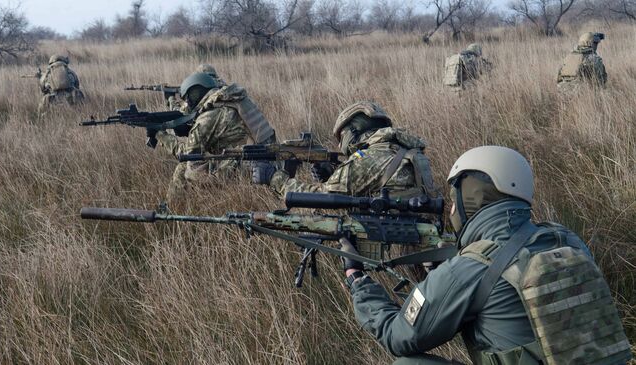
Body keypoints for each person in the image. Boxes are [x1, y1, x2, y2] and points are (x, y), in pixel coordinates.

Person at [339, 146, 632, 365]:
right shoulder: (566, 239)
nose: (451, 207)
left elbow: (397, 336)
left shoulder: (467, 268)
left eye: (455, 196)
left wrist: (357, 279)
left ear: (472, 197)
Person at [252, 101, 437, 200]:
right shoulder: (403, 148)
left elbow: (324, 198)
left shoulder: (369, 157)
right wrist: (332, 175)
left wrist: (276, 179)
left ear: (353, 131)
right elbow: (372, 185)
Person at [151, 72, 276, 199]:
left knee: (185, 167)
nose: (188, 101)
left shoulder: (209, 116)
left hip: (245, 167)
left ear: (196, 93)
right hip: (262, 160)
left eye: (189, 97)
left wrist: (160, 135)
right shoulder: (231, 99)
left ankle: (172, 211)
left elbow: (186, 154)